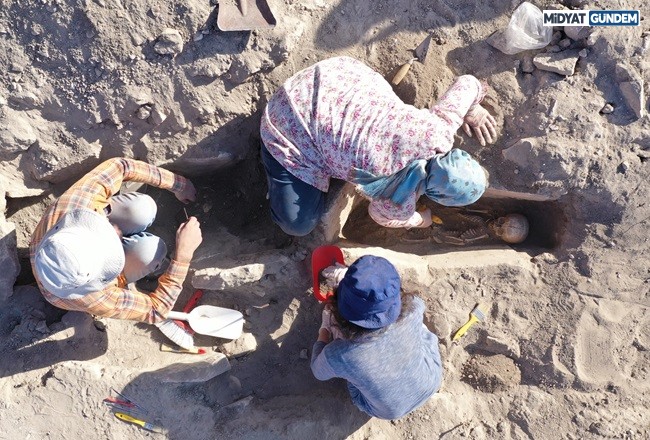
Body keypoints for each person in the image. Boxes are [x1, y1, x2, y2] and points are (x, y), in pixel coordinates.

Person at [260, 56, 497, 236]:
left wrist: (472, 109)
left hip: (333, 77)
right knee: (299, 224)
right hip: (288, 126)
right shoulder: (396, 199)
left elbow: (469, 83)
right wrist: (418, 219)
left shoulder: (440, 128)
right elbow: (380, 215)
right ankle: (273, 170)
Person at [29, 157, 203, 324]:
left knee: (142, 208)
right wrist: (183, 255)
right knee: (151, 252)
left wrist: (178, 184)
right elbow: (157, 311)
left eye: (102, 228)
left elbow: (121, 166)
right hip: (81, 280)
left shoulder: (74, 204)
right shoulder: (95, 298)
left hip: (62, 256)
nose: (115, 231)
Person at [310, 255, 442, 420]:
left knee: (352, 372)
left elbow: (318, 371)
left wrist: (325, 329)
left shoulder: (340, 354)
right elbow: (413, 304)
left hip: (388, 412)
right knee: (419, 330)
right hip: (431, 380)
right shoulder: (414, 308)